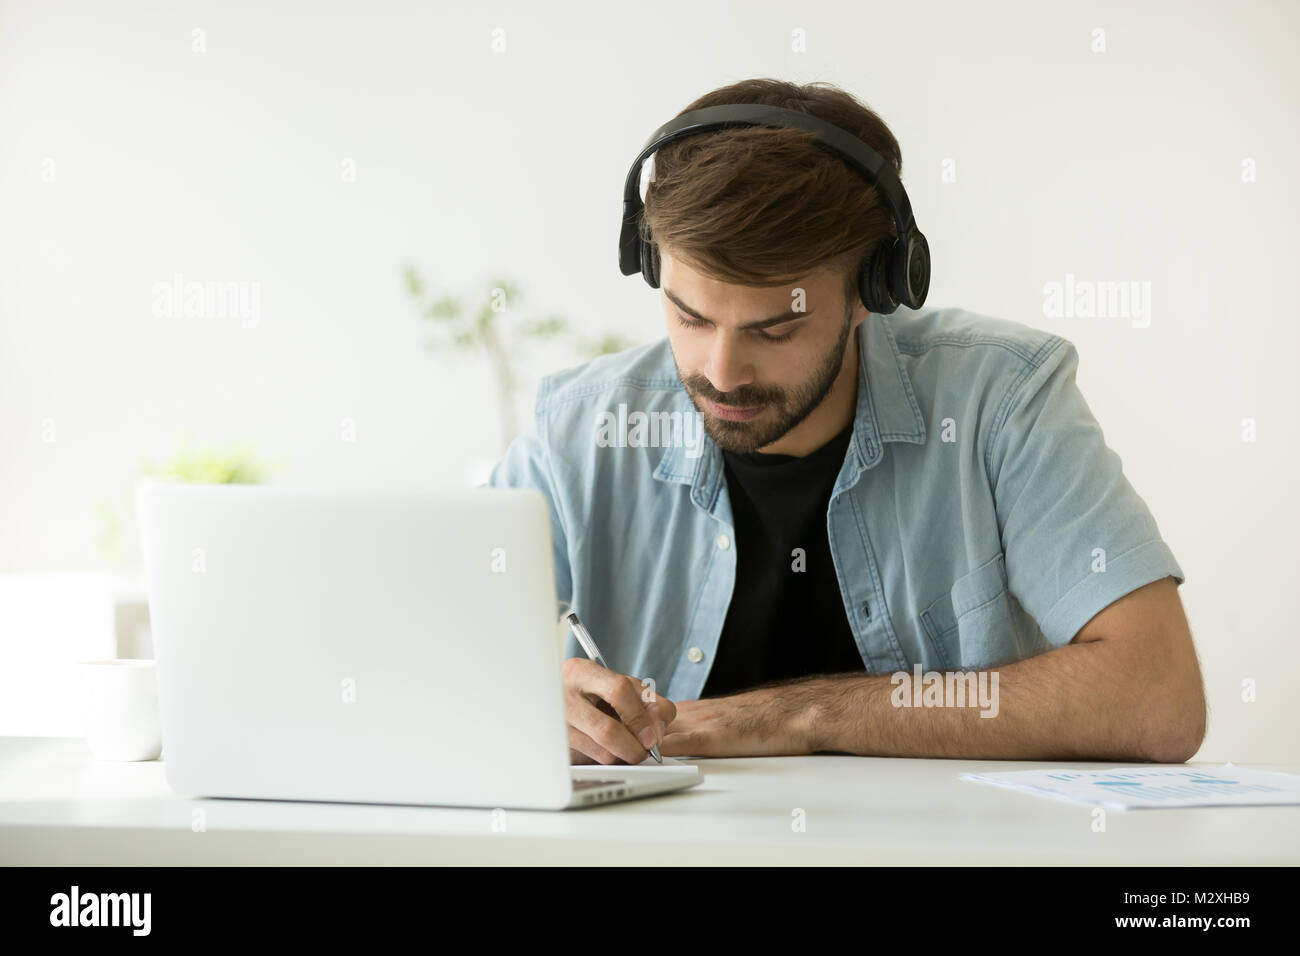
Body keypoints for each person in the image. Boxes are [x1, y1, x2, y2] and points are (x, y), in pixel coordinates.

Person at [488, 78, 1205, 765]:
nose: (722, 370)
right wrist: (521, 698)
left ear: (874, 292)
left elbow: (1158, 696)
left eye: (773, 330)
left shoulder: (1001, 400)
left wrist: (801, 715)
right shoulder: (580, 432)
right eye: (690, 316)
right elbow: (403, 665)